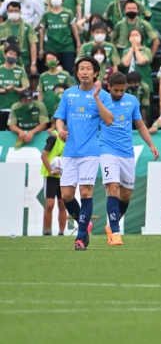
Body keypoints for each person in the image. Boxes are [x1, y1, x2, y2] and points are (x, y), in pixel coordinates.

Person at [54, 56, 113, 250]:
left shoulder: (102, 95)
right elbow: (59, 118)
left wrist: (96, 98)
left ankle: (80, 238)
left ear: (96, 73)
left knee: (85, 192)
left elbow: (109, 120)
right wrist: (61, 129)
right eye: (82, 69)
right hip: (70, 151)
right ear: (77, 73)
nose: (85, 72)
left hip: (90, 151)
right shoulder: (69, 94)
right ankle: (84, 224)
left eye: (89, 69)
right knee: (67, 196)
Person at [99, 72, 159, 246]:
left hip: (127, 153)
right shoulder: (101, 100)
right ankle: (116, 233)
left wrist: (151, 145)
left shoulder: (132, 101)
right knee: (113, 187)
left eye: (121, 90)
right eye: (115, 90)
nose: (118, 93)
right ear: (109, 87)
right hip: (108, 150)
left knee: (125, 196)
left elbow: (140, 126)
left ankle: (111, 225)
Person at [38, 0, 79, 74]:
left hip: (67, 46)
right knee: (50, 71)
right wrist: (41, 48)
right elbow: (42, 32)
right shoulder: (46, 14)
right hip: (51, 47)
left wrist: (78, 43)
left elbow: (74, 29)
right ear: (50, 0)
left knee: (69, 72)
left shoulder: (68, 12)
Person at [41, 129, 67, 236]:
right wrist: (51, 170)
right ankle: (47, 232)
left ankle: (61, 232)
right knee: (50, 205)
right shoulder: (53, 137)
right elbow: (43, 156)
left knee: (62, 204)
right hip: (50, 176)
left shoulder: (70, 138)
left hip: (64, 176)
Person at [38, 52, 73, 116]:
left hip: (62, 108)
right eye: (48, 59)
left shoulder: (65, 74)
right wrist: (39, 107)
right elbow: (40, 93)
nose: (51, 60)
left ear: (57, 61)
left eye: (53, 58)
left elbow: (72, 92)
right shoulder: (43, 76)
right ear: (45, 63)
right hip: (47, 109)